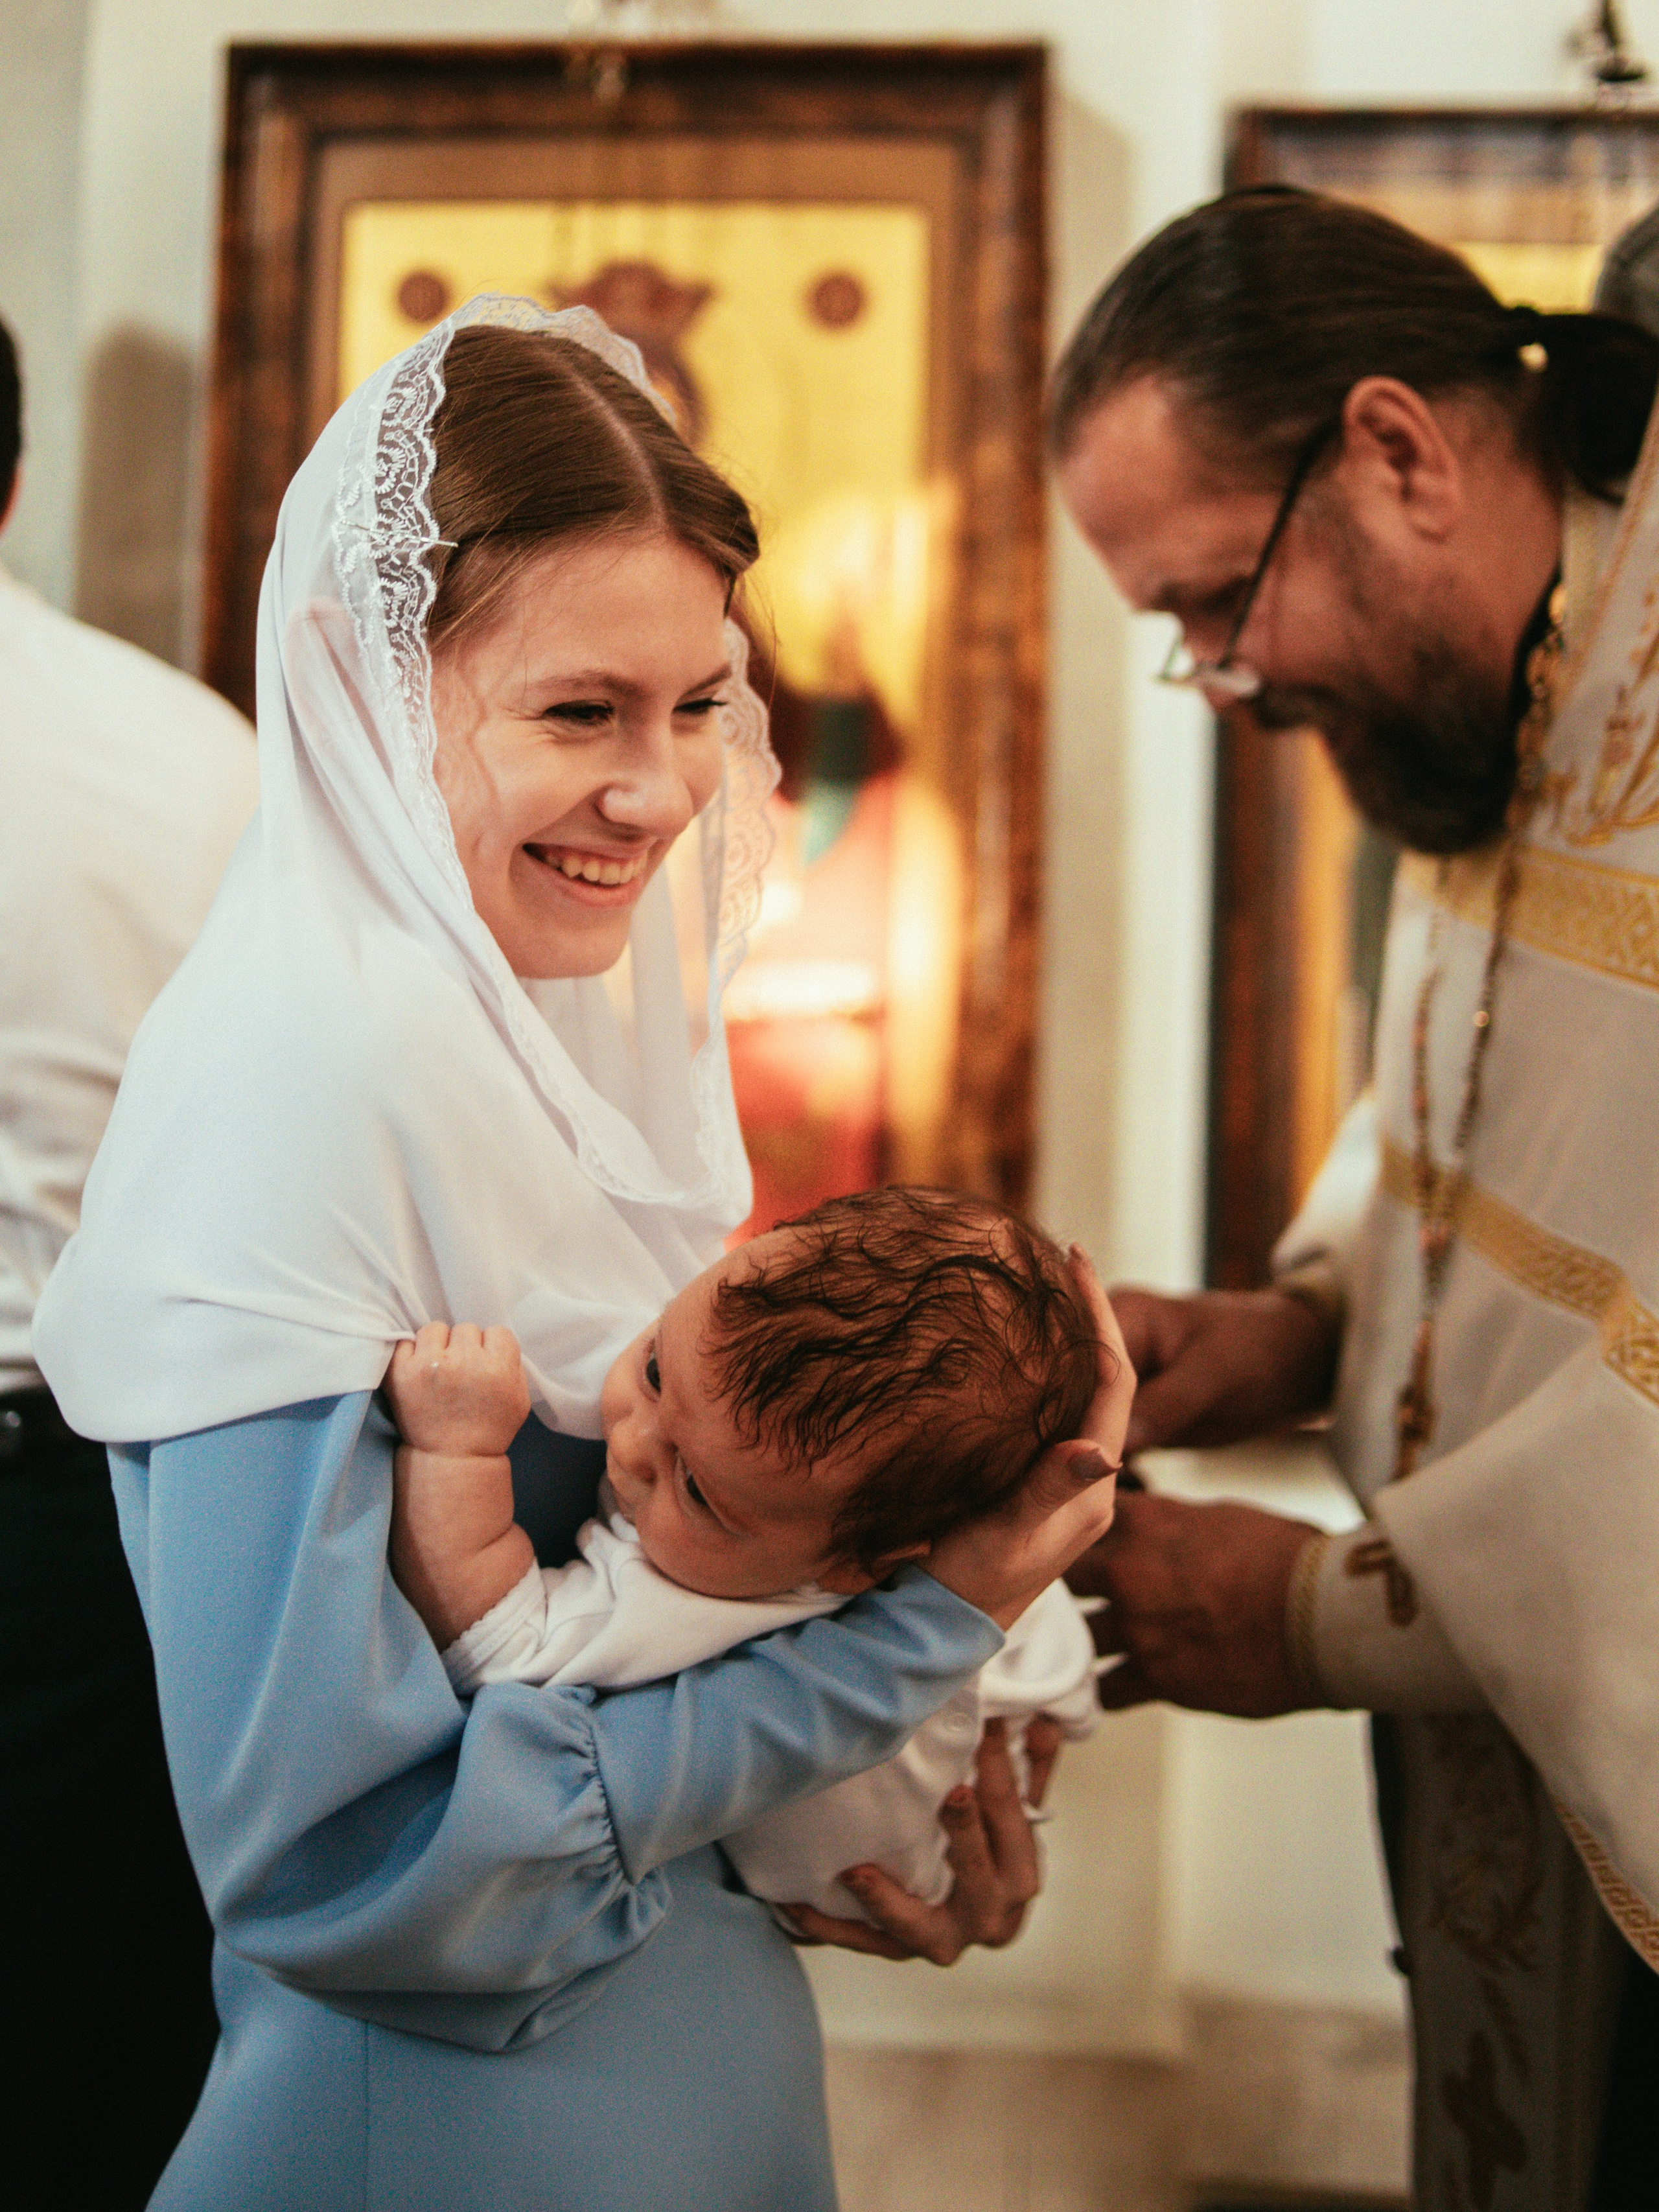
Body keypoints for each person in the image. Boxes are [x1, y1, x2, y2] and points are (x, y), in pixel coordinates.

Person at [33, 299, 1130, 2210]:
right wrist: (913, 1643)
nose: (661, 787)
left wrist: (898, 1794)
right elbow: (344, 1870)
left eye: (696, 703)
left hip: (669, 2070)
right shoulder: (303, 1085)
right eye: (577, 712)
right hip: (442, 2128)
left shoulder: (539, 1036)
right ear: (366, 691)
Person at [1050, 186, 1659, 2211]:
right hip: (1515, 1794)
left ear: (1396, 451)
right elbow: (1491, 1111)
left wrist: (1317, 1611)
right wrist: (1302, 1322)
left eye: (1210, 600)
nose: (1217, 672)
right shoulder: (1505, 690)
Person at [383, 1184, 1103, 1924]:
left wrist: (455, 1450)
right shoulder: (775, 1485)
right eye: (655, 1372)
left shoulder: (714, 1600)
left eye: (695, 1487)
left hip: (899, 1858)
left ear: (856, 1566)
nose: (631, 1442)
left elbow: (502, 1646)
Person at [0, 312, 257, 2208]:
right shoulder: (195, 762)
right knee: (77, 2084)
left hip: (103, 1502)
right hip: (93, 1531)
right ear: (18, 483)